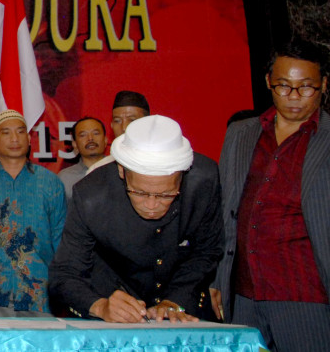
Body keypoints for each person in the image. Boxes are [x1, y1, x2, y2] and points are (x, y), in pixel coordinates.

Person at [214, 39, 330, 350]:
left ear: (323, 85)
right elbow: (224, 210)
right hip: (243, 295)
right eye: (283, 86)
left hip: (306, 295)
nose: (294, 97)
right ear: (268, 82)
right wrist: (216, 280)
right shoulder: (241, 133)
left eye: (306, 87)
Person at [49, 115, 222, 323]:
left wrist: (176, 300)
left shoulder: (204, 181)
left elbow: (206, 251)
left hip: (184, 304)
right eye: (139, 192)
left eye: (166, 195)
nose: (151, 205)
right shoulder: (91, 195)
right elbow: (65, 274)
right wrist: (100, 306)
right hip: (115, 304)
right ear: (122, 170)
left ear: (183, 175)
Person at [0, 109, 65, 317]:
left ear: (30, 138)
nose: (15, 138)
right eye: (6, 132)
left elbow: (61, 242)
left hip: (39, 292)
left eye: (20, 132)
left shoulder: (51, 183)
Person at [57, 117, 108, 198]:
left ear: (105, 140)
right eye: (83, 135)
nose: (90, 138)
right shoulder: (65, 178)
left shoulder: (119, 172)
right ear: (75, 144)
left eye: (96, 133)